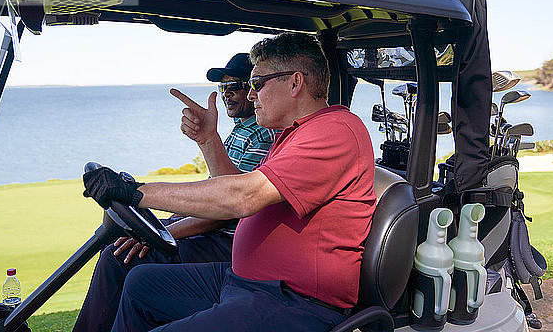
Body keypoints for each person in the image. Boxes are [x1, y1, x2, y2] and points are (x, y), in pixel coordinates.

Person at [82, 33, 377, 332]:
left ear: (295, 82)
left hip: (295, 301)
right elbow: (241, 187)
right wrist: (209, 139)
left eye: (257, 84)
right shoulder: (294, 133)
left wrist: (135, 192)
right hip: (246, 281)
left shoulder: (334, 131)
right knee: (139, 282)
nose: (250, 96)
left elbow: (244, 197)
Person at [73, 53, 275, 332]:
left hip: (229, 241)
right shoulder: (241, 131)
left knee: (118, 258)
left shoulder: (263, 136)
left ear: (255, 91)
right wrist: (164, 222)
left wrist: (164, 234)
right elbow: (213, 193)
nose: (228, 94)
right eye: (223, 88)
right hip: (218, 230)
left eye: (236, 86)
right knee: (122, 242)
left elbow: (227, 208)